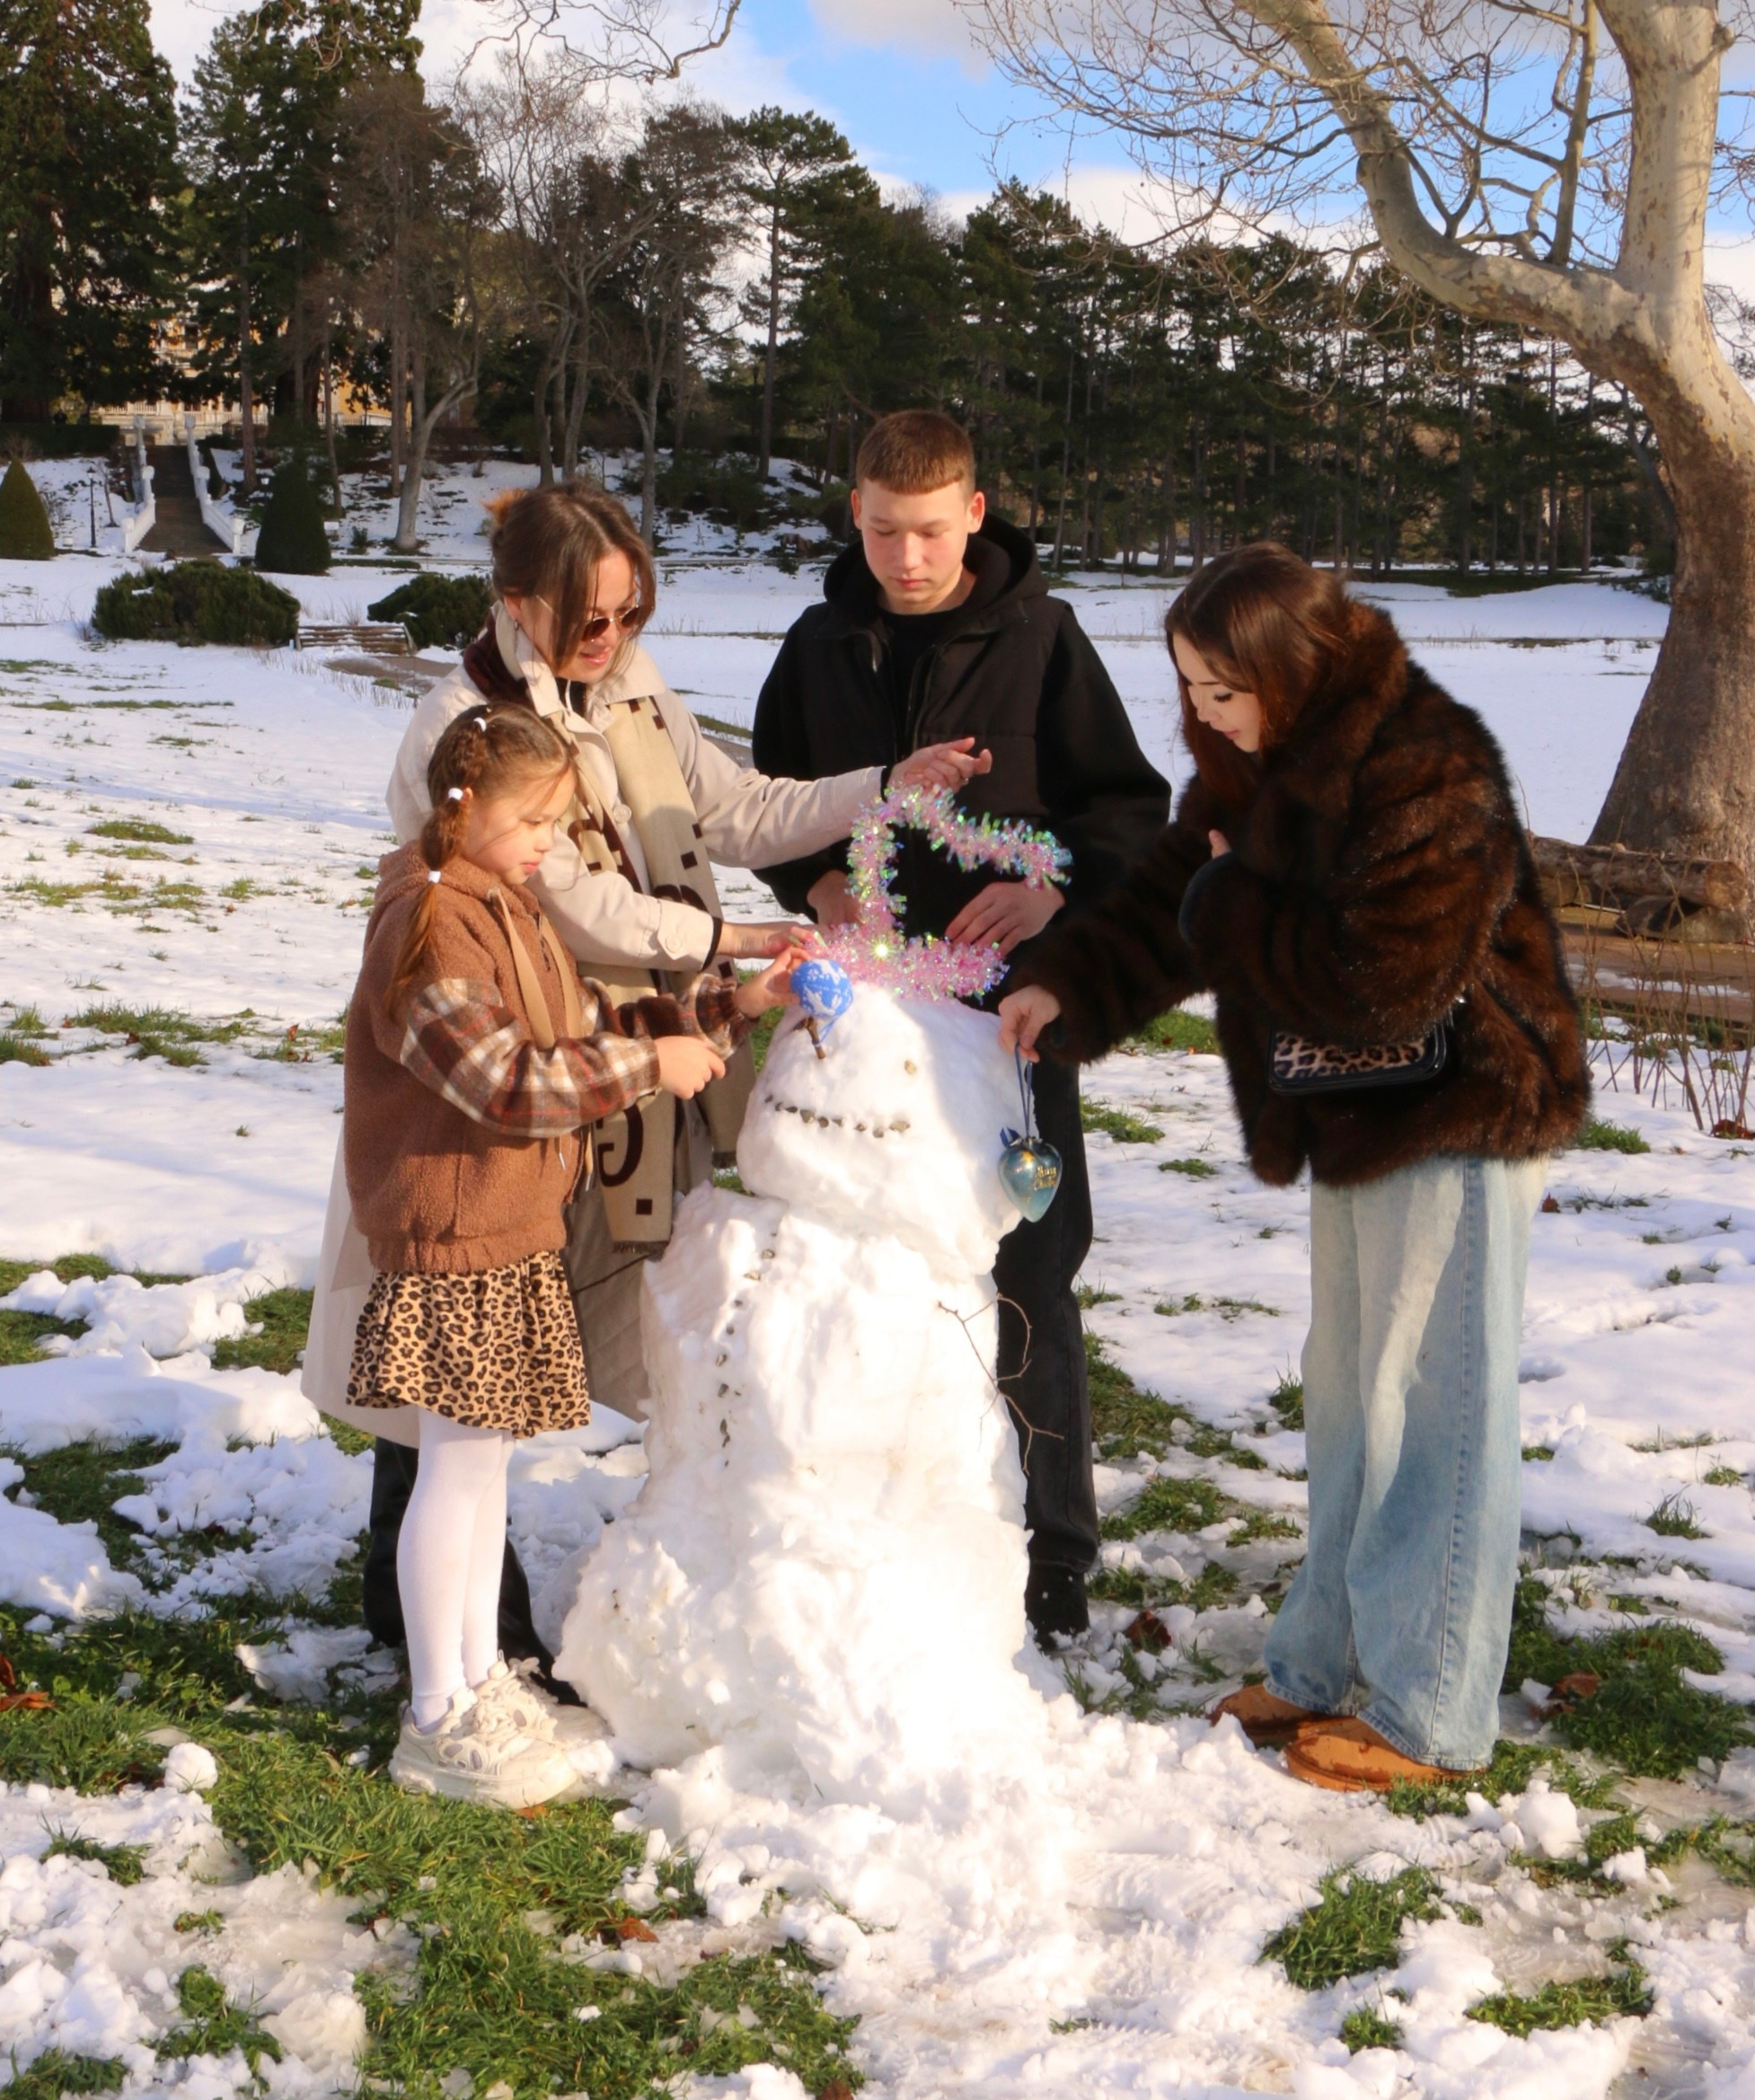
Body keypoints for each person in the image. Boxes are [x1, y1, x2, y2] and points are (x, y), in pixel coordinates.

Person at [305, 481, 983, 1665]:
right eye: (589, 618)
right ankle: (434, 1617)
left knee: (535, 1312)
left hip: (623, 1054)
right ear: (518, 601)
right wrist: (729, 941)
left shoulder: (626, 687)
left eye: (629, 613)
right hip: (510, 1078)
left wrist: (883, 788)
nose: (612, 636)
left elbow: (737, 808)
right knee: (463, 1329)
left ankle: (480, 1603)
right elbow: (573, 903)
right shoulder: (468, 735)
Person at [998, 542, 1588, 1791]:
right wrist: (1066, 985)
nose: (1200, 712)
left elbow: (1386, 981)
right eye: (1187, 685)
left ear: (1293, 668)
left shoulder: (1427, 765)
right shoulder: (1260, 757)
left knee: (1438, 1405)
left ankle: (1428, 1710)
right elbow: (1172, 896)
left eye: (1221, 689)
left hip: (1462, 1107)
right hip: (1357, 1111)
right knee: (1348, 1393)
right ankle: (1324, 1661)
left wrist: (1227, 904)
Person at [753, 410, 1171, 1649]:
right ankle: (881, 1515)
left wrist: (1053, 891)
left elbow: (1128, 810)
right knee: (865, 1249)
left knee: (1028, 1259)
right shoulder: (819, 642)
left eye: (929, 531)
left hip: (1008, 1011)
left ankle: (1052, 1546)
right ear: (854, 513)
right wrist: (811, 884)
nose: (905, 556)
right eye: (883, 530)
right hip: (864, 1011)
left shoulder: (1041, 638)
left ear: (974, 513)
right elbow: (768, 802)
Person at [344, 698, 805, 1805]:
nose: (548, 843)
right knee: (454, 1472)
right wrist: (651, 1072)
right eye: (532, 822)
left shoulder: (505, 901)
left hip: (507, 1225)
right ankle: (437, 1713)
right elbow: (506, 1082)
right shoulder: (429, 922)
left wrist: (733, 1005)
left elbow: (580, 1031)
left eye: (556, 823)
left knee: (480, 1469)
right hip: (454, 1232)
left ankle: (477, 1680)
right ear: (462, 808)